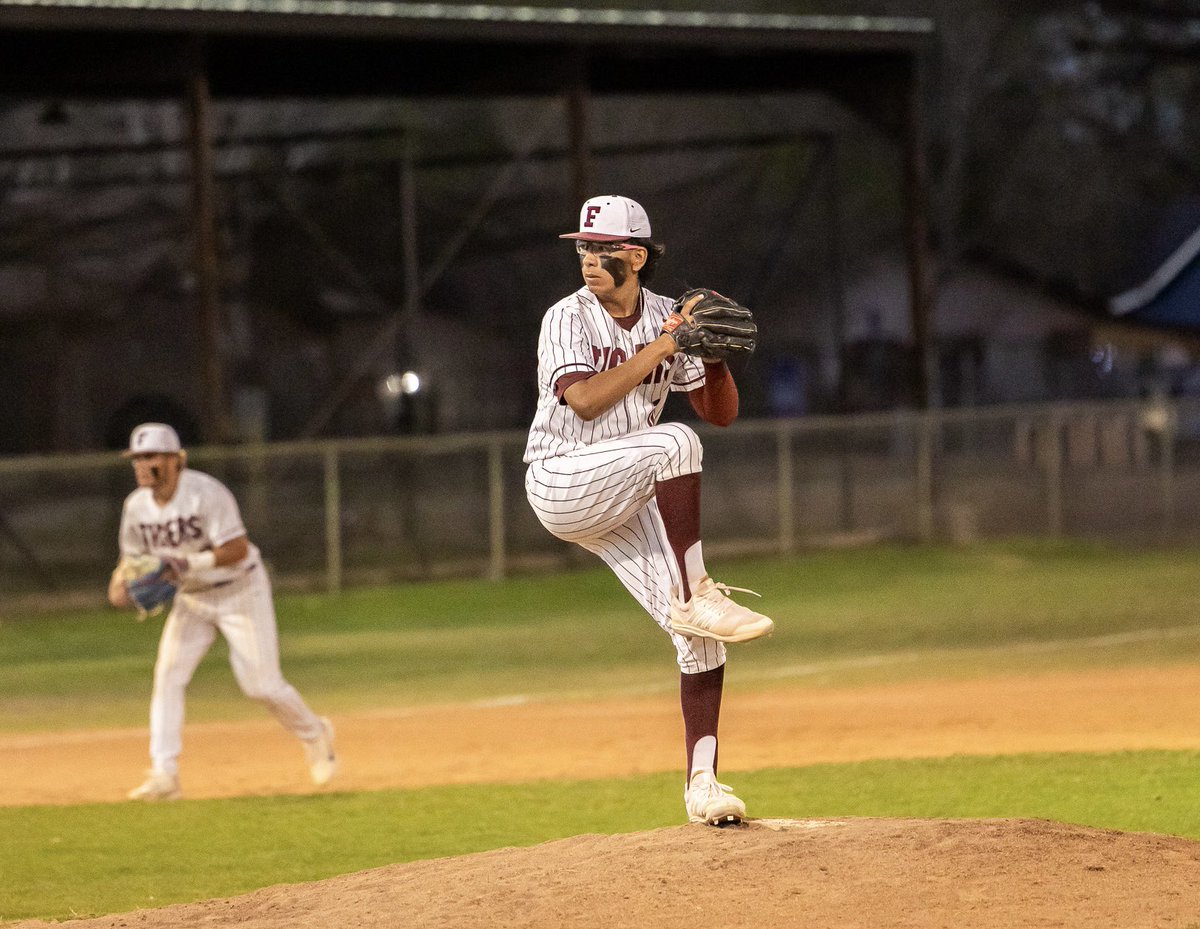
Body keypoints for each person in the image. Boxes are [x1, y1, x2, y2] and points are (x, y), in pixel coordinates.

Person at [523, 195, 774, 826]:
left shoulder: (668, 316)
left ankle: (704, 787)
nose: (588, 258)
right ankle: (696, 591)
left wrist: (710, 356)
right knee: (675, 442)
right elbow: (585, 401)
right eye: (583, 247)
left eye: (602, 248)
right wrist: (665, 346)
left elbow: (720, 414)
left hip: (628, 489)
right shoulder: (568, 317)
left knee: (702, 643)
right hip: (562, 478)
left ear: (635, 256)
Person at [107, 422, 337, 800]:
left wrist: (187, 563)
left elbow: (237, 549)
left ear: (176, 460)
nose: (142, 465)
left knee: (261, 685)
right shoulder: (136, 507)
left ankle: (316, 733)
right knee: (168, 675)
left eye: (151, 456)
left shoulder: (205, 493)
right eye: (137, 458)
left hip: (239, 589)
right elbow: (131, 560)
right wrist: (118, 585)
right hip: (192, 598)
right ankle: (165, 774)